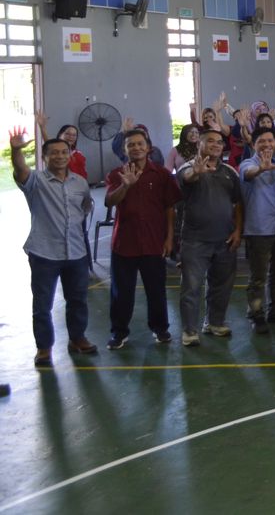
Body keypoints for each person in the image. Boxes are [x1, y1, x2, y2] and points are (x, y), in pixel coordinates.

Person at [10, 126, 97, 365]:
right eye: (54, 153)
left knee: (77, 300)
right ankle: (44, 347)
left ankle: (77, 338)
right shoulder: (35, 180)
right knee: (42, 304)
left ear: (70, 155)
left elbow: (84, 208)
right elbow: (20, 169)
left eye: (64, 152)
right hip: (44, 253)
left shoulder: (80, 182)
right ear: (45, 157)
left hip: (76, 252)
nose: (60, 156)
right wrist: (16, 150)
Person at [104, 128, 181, 349]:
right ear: (124, 150)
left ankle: (160, 328)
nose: (136, 148)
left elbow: (169, 208)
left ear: (148, 148)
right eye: (131, 145)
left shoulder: (162, 175)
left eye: (140, 144)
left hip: (153, 242)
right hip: (124, 244)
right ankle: (119, 332)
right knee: (121, 292)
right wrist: (126, 185)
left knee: (156, 290)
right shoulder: (116, 174)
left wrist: (169, 238)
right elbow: (110, 201)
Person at [177, 129, 243, 346]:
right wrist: (197, 173)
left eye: (219, 142)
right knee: (191, 287)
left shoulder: (230, 172)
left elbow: (238, 203)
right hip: (195, 240)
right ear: (199, 144)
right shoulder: (188, 168)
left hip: (224, 239)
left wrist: (237, 230)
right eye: (210, 141)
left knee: (221, 285)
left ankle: (214, 322)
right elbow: (187, 178)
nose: (216, 145)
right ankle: (189, 330)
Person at [239, 127, 275, 334]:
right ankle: (256, 313)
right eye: (262, 141)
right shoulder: (248, 164)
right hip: (259, 229)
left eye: (271, 140)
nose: (267, 144)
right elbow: (248, 174)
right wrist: (260, 169)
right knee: (258, 276)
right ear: (254, 144)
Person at [35, 112, 88, 179]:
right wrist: (42, 127)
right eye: (67, 134)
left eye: (74, 135)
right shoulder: (55, 150)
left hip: (79, 182)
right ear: (60, 135)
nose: (71, 137)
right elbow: (48, 143)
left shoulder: (78, 153)